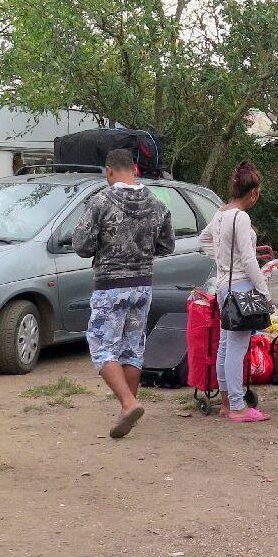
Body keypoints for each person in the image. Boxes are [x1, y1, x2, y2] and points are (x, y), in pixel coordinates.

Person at [73, 149, 175, 439]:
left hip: (110, 285)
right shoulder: (157, 204)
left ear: (108, 172)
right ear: (134, 169)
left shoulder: (101, 201)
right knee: (132, 348)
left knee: (101, 346)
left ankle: (129, 402)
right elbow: (167, 246)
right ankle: (126, 409)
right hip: (143, 284)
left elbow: (81, 245)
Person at [199, 161, 271, 422]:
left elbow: (203, 239)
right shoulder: (241, 217)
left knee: (225, 345)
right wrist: (264, 290)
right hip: (241, 287)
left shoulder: (221, 213)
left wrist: (221, 261)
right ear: (252, 193)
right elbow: (250, 260)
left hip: (223, 286)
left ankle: (228, 402)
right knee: (237, 347)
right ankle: (239, 406)